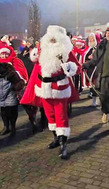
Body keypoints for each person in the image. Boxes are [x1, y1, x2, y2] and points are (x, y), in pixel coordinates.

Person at [20, 25, 81, 159]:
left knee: (61, 116)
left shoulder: (66, 51)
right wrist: (33, 55)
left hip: (60, 88)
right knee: (49, 115)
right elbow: (35, 64)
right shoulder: (42, 50)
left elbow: (76, 68)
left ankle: (63, 144)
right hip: (45, 88)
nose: (52, 41)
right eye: (50, 39)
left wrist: (69, 67)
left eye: (55, 39)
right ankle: (56, 138)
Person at [0, 47, 28, 137]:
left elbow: (22, 73)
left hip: (11, 89)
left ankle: (13, 127)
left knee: (12, 108)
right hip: (0, 90)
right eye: (2, 54)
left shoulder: (16, 62)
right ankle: (6, 126)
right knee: (3, 109)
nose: (4, 55)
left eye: (6, 54)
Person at [83, 33, 98, 106]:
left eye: (92, 38)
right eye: (89, 38)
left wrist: (93, 56)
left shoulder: (97, 48)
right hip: (89, 68)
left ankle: (95, 100)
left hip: (95, 68)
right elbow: (84, 56)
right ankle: (92, 96)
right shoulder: (87, 48)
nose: (91, 40)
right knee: (91, 84)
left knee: (95, 84)